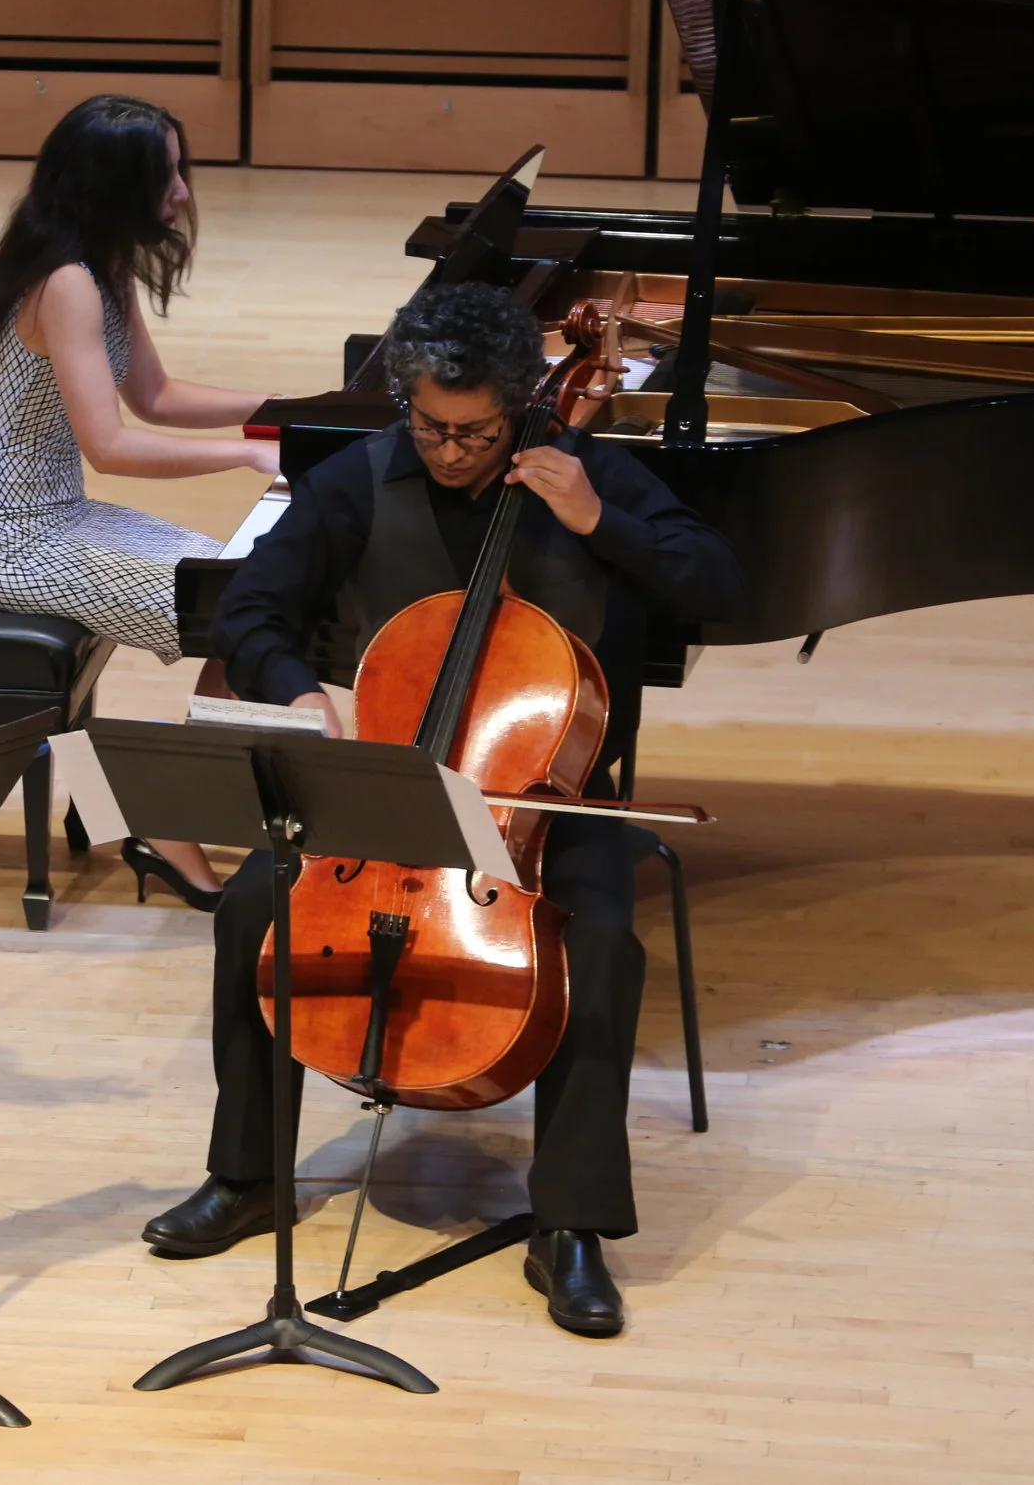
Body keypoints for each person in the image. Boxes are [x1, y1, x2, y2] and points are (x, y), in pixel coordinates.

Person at [141, 282, 747, 1338]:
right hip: (389, 784)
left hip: (540, 802)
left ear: (516, 406)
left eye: (472, 431)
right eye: (429, 425)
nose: (451, 449)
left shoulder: (591, 473)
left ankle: (570, 1224)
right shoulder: (356, 478)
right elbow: (252, 607)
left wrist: (598, 521)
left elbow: (717, 582)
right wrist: (295, 690)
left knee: (600, 940)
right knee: (251, 908)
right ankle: (245, 1175)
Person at [0, 93, 278, 911]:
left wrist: (279, 406)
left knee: (245, 596)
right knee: (237, 614)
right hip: (2, 540)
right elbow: (111, 444)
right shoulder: (67, 284)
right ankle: (170, 813)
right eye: (169, 174)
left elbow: (153, 395)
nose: (185, 192)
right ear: (116, 184)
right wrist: (242, 450)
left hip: (55, 514)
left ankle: (187, 800)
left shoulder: (98, 260)